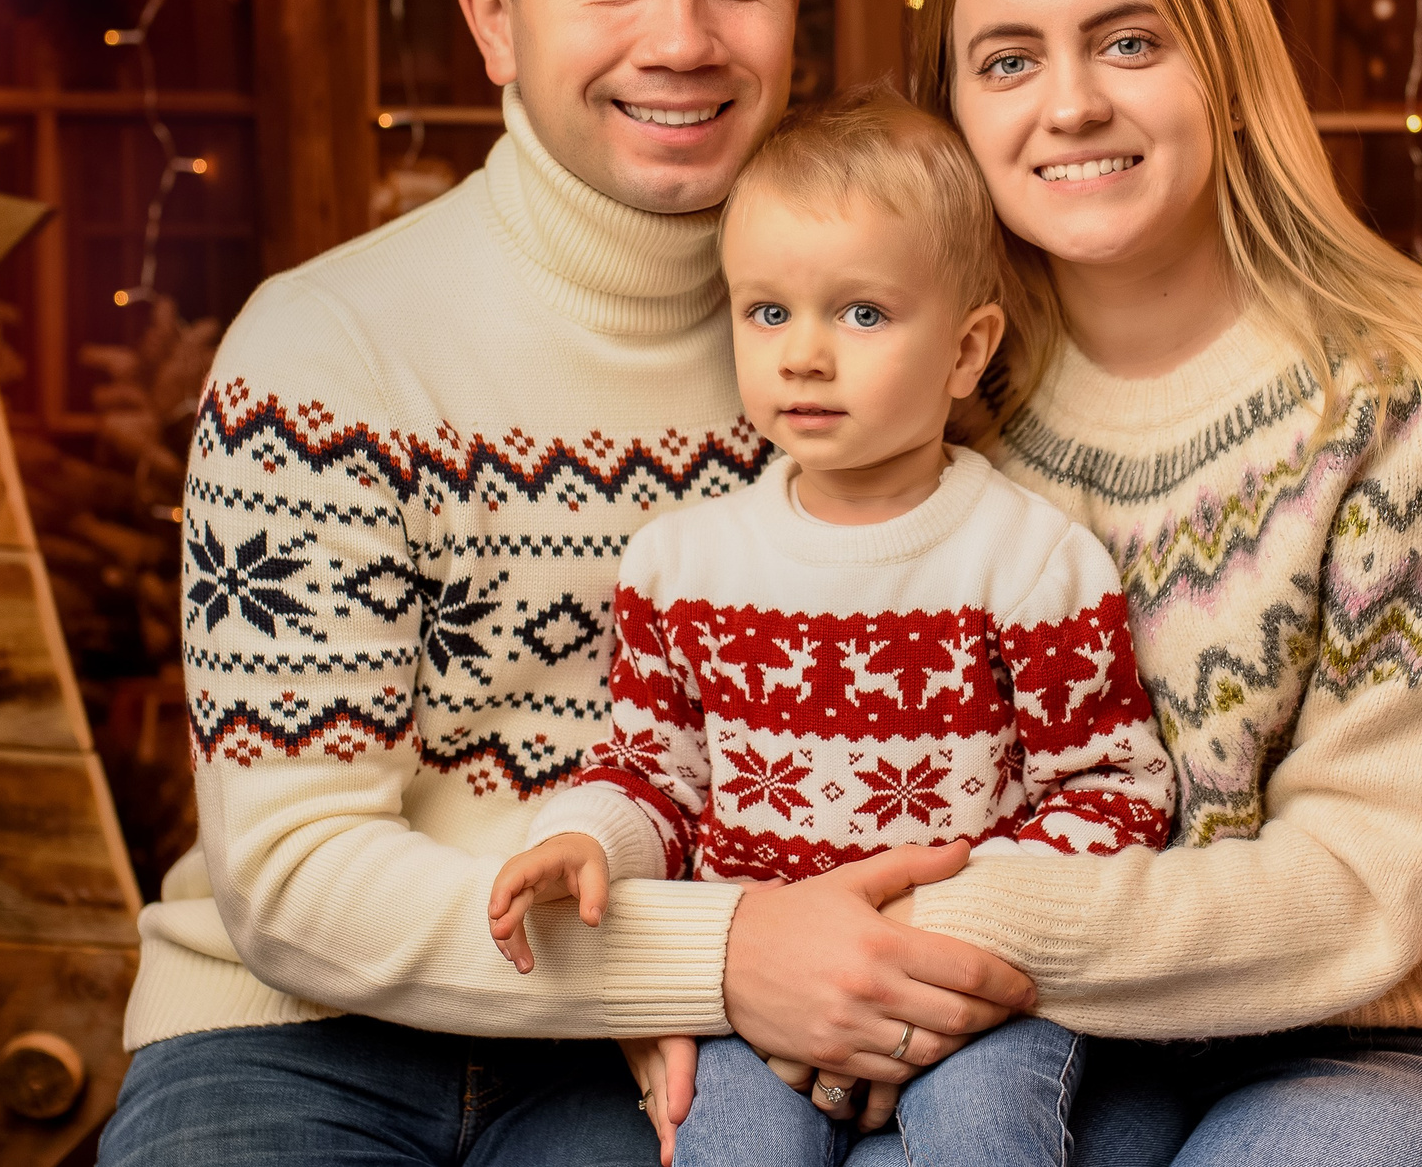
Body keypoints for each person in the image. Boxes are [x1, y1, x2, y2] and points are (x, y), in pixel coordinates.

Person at [97, 0, 1422, 1167]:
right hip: (357, 1026)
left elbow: (1290, 809)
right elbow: (295, 875)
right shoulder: (330, 347)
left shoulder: (920, 351)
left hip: (860, 1019)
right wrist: (723, 955)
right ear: (490, 15)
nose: (681, 40)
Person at [874, 0, 1422, 1165]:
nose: (1068, 104)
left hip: (1389, 1032)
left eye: (1129, 42)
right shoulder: (940, 408)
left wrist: (975, 924)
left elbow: (1363, 889)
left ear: (1230, 71)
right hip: (1060, 1037)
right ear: (957, 114)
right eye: (1008, 60)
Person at [489, 90, 1174, 1167]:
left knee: (983, 1141)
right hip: (758, 1000)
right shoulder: (682, 564)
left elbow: (1114, 790)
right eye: (768, 312)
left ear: (964, 350)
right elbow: (650, 772)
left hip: (968, 990)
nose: (803, 353)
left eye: (861, 314)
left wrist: (950, 924)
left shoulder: (1030, 560)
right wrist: (582, 839)